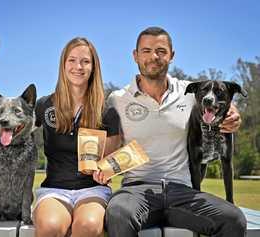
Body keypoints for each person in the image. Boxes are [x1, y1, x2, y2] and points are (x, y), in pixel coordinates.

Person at [100, 27, 247, 237]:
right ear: (135, 55)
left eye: (161, 51)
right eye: (146, 50)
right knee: (119, 214)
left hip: (182, 192)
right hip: (135, 191)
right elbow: (107, 149)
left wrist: (234, 115)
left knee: (234, 220)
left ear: (172, 55)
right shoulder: (117, 99)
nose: (154, 57)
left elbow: (220, 103)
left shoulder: (190, 92)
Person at [0, 37, 120, 237]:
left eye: (85, 61)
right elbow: (15, 131)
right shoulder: (45, 104)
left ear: (94, 67)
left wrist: (106, 170)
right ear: (63, 64)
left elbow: (112, 159)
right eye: (72, 60)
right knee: (50, 227)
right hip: (55, 190)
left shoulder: (106, 111)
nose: (78, 66)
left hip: (92, 191)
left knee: (87, 226)